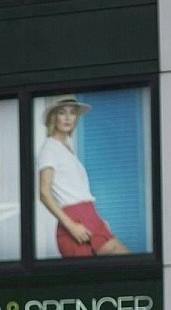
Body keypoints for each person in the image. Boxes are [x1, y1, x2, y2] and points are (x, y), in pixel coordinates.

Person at [37, 95, 129, 257]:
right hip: (75, 222)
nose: (67, 117)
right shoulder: (50, 148)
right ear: (54, 117)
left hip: (89, 217)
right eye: (62, 112)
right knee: (129, 266)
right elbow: (44, 193)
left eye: (72, 113)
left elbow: (77, 191)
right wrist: (71, 225)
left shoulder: (67, 149)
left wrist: (97, 219)